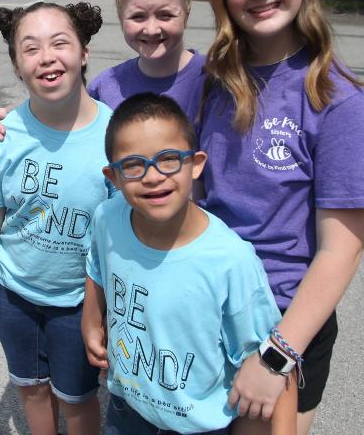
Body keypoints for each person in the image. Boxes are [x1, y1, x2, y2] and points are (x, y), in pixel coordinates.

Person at [200, 0, 364, 434]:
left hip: (282, 324)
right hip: (205, 306)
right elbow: (122, 98)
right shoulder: (212, 81)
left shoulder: (338, 100)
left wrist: (276, 356)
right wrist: (23, 116)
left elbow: (341, 248)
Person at [83, 93, 295, 435]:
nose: (153, 176)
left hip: (199, 427)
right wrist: (90, 321)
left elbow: (268, 365)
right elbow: (96, 267)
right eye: (133, 164)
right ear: (114, 177)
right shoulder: (107, 217)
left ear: (195, 164)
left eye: (168, 158)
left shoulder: (230, 260)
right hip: (126, 410)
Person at [0, 1, 110, 435]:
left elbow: (126, 232)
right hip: (14, 296)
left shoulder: (115, 137)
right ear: (17, 67)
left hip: (80, 303)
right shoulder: (6, 135)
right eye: (30, 49)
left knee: (78, 398)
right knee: (31, 388)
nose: (46, 56)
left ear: (84, 52)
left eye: (60, 43)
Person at [0, 0, 205, 145]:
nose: (152, 28)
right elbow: (60, 118)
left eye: (165, 15)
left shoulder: (214, 80)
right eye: (138, 16)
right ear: (120, 17)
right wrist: (10, 120)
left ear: (186, 13)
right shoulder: (106, 86)